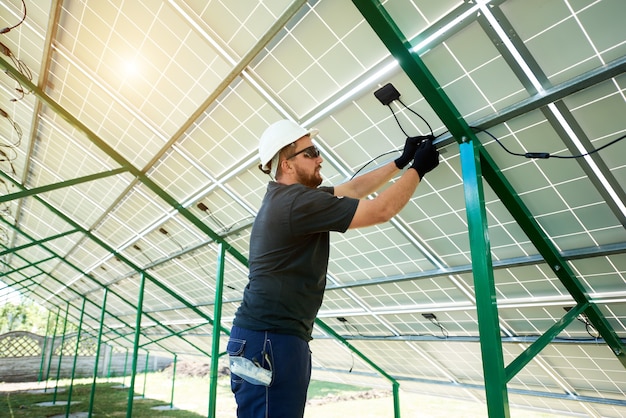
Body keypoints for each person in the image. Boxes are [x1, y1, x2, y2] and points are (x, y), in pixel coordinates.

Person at [227, 119, 439, 417]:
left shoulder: (288, 198)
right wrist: (419, 169)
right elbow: (381, 210)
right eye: (310, 152)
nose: (319, 158)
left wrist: (400, 163)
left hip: (268, 337)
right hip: (270, 339)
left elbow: (351, 189)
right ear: (286, 165)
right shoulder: (295, 203)